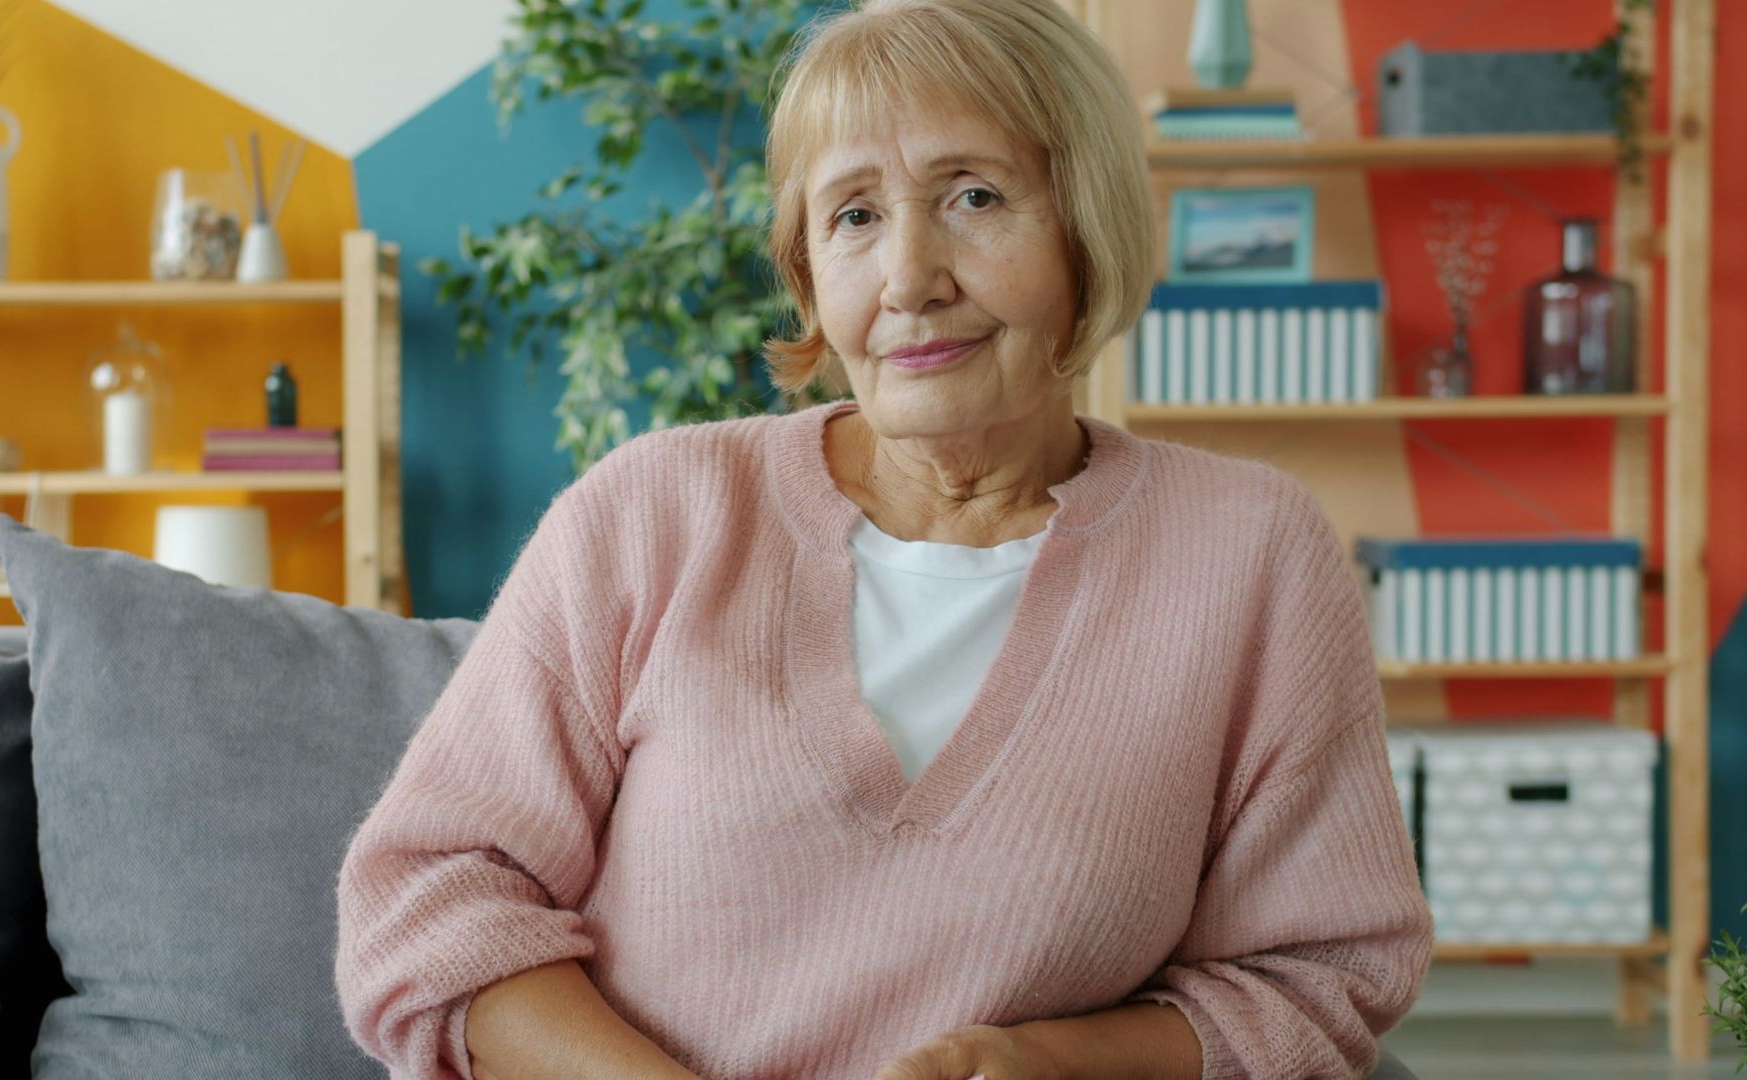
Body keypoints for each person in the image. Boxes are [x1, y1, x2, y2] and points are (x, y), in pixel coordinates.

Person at [334, 0, 1433, 1076]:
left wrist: (1055, 1060)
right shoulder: (655, 511)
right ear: (809, 271)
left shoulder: (1251, 554)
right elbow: (430, 897)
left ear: (1087, 229)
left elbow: (1320, 979)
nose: (910, 279)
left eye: (974, 196)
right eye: (854, 215)